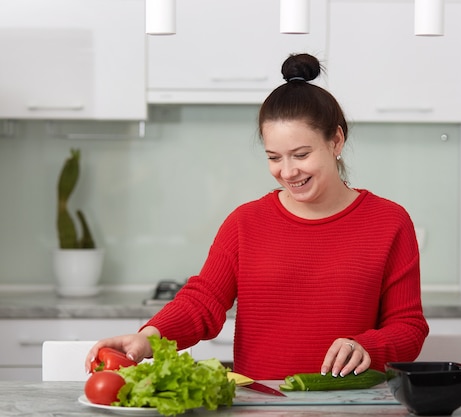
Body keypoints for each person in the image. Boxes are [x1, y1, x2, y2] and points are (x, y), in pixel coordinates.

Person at [86, 53, 429, 380]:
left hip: (355, 406)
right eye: (274, 157)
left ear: (336, 141)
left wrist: (367, 346)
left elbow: (409, 327)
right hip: (261, 404)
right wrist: (148, 337)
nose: (288, 171)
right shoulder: (245, 223)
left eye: (301, 154)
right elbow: (203, 302)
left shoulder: (388, 221)